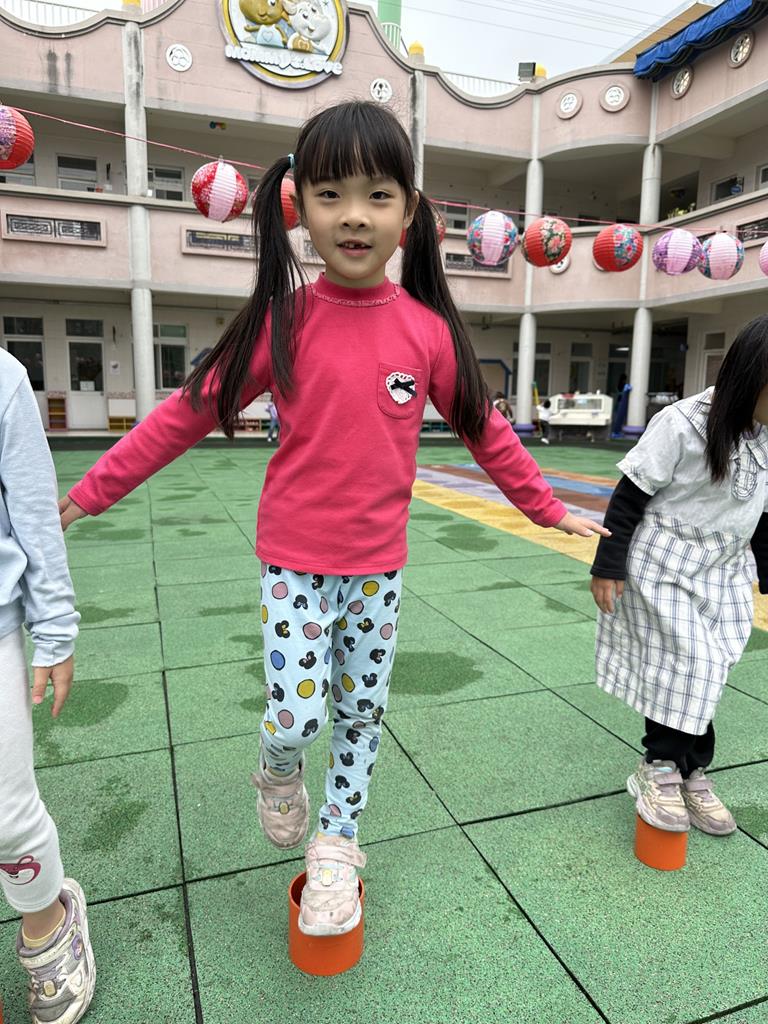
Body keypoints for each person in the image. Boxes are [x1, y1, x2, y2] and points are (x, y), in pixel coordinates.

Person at [58, 101, 607, 937]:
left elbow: (484, 429)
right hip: (294, 564)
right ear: (300, 207)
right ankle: (277, 767)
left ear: (409, 212)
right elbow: (186, 414)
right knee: (298, 713)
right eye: (331, 194)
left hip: (378, 570)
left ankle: (338, 844)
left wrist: (545, 507)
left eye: (378, 195)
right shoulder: (283, 322)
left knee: (361, 712)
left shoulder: (427, 333)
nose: (354, 215)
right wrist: (88, 492)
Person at [590, 315, 768, 837]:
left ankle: (690, 771)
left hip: (723, 569)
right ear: (751, 376)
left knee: (709, 668)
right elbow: (630, 495)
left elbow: (762, 516)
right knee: (690, 662)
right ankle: (659, 766)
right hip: (665, 562)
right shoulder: (683, 423)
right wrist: (608, 564)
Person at [0, 349, 95, 1023]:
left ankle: (47, 917)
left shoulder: (2, 378)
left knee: (6, 814)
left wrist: (55, 629)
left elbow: (34, 510)